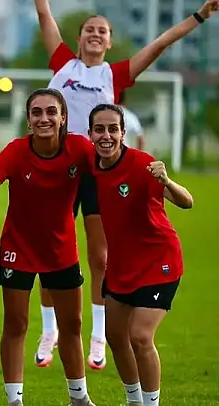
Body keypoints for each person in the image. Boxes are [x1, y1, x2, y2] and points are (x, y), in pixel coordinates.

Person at [32, 0, 217, 370]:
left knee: (101, 256)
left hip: (97, 172)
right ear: (79, 37)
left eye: (102, 30)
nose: (95, 34)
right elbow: (44, 14)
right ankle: (49, 330)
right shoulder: (63, 63)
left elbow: (160, 44)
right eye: (89, 29)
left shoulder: (114, 74)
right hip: (60, 170)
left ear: (110, 41)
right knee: (50, 254)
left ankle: (99, 335)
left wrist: (199, 16)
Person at [0, 88, 96, 406]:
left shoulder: (79, 148)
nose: (44, 118)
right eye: (37, 112)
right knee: (16, 324)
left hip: (61, 250)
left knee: (72, 325)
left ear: (63, 117)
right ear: (28, 120)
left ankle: (79, 398)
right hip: (19, 249)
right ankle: (15, 401)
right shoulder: (16, 151)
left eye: (51, 111)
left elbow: (111, 170)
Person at [88, 104, 193, 406]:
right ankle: (134, 401)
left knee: (140, 336)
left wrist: (167, 181)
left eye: (113, 129)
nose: (106, 136)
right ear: (90, 134)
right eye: (99, 129)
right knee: (114, 336)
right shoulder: (90, 167)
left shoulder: (141, 164)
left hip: (158, 261)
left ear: (123, 133)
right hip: (121, 265)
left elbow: (187, 202)